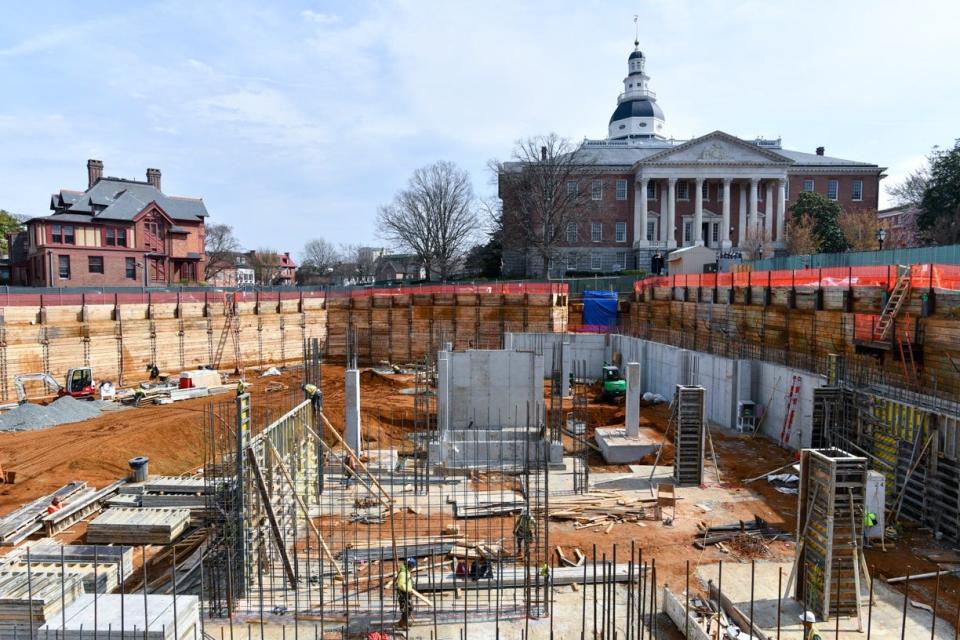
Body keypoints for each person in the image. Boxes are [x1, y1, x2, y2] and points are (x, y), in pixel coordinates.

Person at [396, 557, 416, 628]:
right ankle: (404, 624)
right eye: (412, 567)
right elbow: (401, 585)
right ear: (409, 566)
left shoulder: (407, 572)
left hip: (407, 594)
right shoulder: (403, 574)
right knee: (406, 610)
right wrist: (409, 590)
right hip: (403, 595)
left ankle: (401, 622)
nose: (413, 568)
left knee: (409, 609)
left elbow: (407, 582)